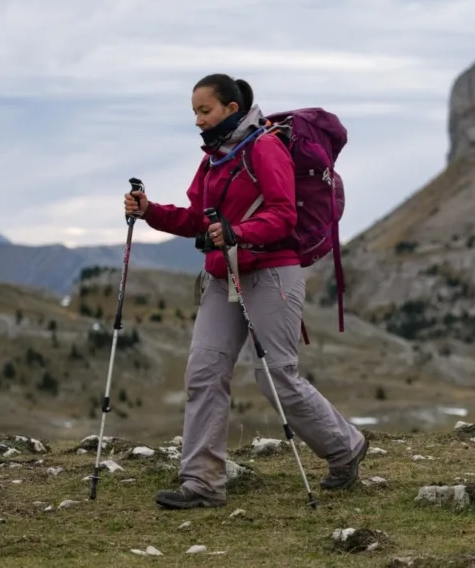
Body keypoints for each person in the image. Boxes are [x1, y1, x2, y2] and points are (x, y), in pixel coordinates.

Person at [123, 73, 369, 509]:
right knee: (203, 372)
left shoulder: (264, 148)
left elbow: (282, 216)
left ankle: (345, 448)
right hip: (222, 278)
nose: (198, 120)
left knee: (275, 376)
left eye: (205, 110)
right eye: (194, 112)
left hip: (272, 274)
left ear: (230, 109)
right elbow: (199, 219)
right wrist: (151, 212)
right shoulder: (213, 160)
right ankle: (202, 484)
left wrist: (237, 231)